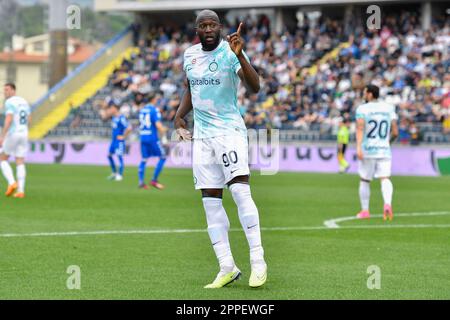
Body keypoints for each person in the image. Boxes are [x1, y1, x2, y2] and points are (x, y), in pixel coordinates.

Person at [174, 10, 267, 289]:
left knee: (240, 191)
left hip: (229, 132)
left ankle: (258, 260)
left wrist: (240, 55)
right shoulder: (189, 56)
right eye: (203, 25)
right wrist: (179, 116)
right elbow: (191, 88)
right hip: (202, 139)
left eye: (212, 24)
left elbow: (255, 88)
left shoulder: (231, 52)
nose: (208, 28)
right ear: (197, 30)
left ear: (220, 27)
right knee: (210, 203)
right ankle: (226, 266)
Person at [355, 85, 398, 221]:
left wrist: (358, 147)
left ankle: (365, 210)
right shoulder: (388, 108)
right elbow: (395, 132)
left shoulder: (362, 109)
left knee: (365, 180)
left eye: (364, 92)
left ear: (370, 94)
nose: (363, 94)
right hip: (384, 150)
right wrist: (388, 143)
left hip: (368, 150)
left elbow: (360, 128)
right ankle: (387, 204)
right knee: (385, 178)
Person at [0, 83, 31, 198]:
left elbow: (8, 120)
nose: (5, 92)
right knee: (20, 160)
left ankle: (12, 182)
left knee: (2, 158)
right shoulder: (24, 102)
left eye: (7, 90)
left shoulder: (10, 102)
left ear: (13, 90)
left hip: (13, 133)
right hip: (24, 133)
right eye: (4, 90)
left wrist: (2, 135)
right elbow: (29, 118)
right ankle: (21, 191)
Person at [138, 93, 168, 190]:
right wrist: (164, 131)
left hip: (143, 137)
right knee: (163, 157)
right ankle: (154, 180)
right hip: (152, 138)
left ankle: (141, 182)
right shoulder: (154, 110)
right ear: (153, 100)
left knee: (144, 159)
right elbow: (158, 126)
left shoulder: (142, 110)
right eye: (157, 99)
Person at [106, 102, 131, 181]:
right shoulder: (114, 117)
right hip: (113, 141)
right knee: (109, 155)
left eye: (112, 108)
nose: (110, 109)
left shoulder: (121, 118)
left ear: (115, 108)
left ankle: (120, 175)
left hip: (119, 141)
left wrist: (123, 136)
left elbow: (129, 128)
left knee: (119, 156)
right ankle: (114, 172)